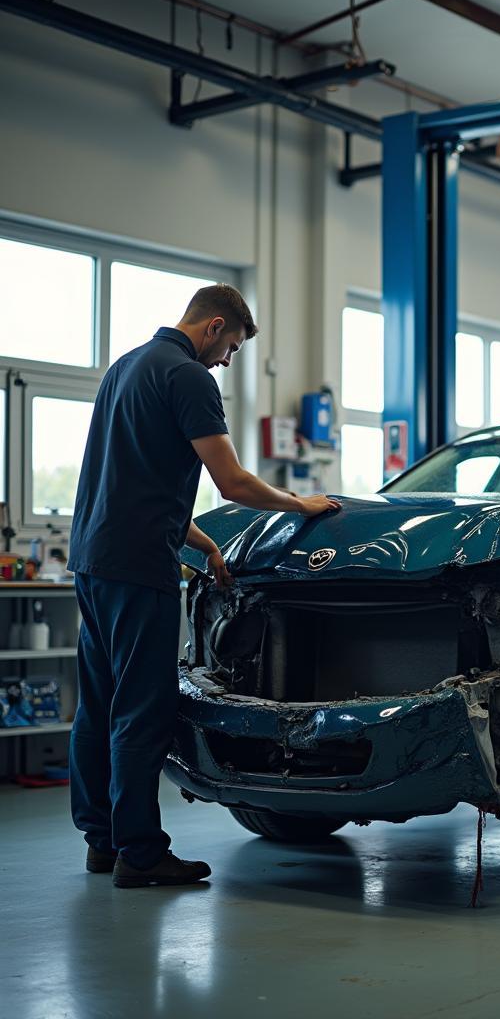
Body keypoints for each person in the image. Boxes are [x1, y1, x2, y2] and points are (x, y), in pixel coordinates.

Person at [67, 283, 339, 888]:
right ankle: (141, 853)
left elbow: (136, 483)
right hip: (139, 570)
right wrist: (301, 505)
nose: (227, 360)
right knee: (142, 709)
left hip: (93, 561)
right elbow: (233, 484)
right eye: (233, 347)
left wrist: (208, 544)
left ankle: (101, 841)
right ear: (214, 326)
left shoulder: (125, 368)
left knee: (98, 704)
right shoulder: (189, 377)